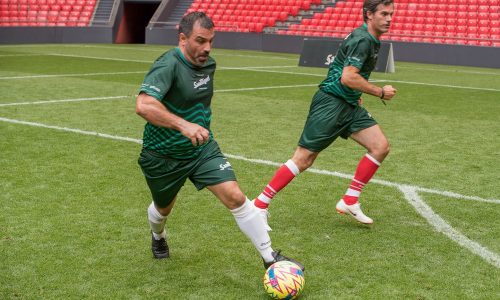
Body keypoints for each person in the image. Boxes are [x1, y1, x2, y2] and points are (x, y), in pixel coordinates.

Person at [135, 12, 303, 271]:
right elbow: (144, 105)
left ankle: (270, 258)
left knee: (235, 196)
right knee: (162, 209)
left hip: (202, 149)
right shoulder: (167, 64)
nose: (207, 48)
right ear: (182, 38)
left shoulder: (208, 64)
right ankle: (158, 236)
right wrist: (183, 125)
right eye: (200, 41)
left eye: (211, 41)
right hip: (163, 154)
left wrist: (197, 129)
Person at [253, 0, 397, 228]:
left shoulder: (369, 38)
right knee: (304, 159)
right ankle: (259, 205)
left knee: (380, 146)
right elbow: (347, 77)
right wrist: (379, 92)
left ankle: (350, 200)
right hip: (331, 103)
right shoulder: (363, 40)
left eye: (391, 14)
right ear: (369, 15)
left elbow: (347, 74)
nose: (389, 19)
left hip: (348, 104)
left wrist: (356, 92)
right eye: (384, 14)